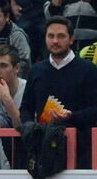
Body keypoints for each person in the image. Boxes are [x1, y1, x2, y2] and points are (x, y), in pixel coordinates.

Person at [20, 16, 97, 169]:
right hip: (43, 147)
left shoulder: (88, 70)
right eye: (51, 36)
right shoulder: (36, 70)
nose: (55, 41)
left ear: (71, 39)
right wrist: (31, 128)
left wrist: (72, 116)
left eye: (61, 36)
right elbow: (26, 107)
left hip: (80, 150)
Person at [0, 44, 25, 128]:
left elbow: (24, 129)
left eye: (3, 66)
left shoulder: (28, 89)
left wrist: (7, 100)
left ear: (17, 68)